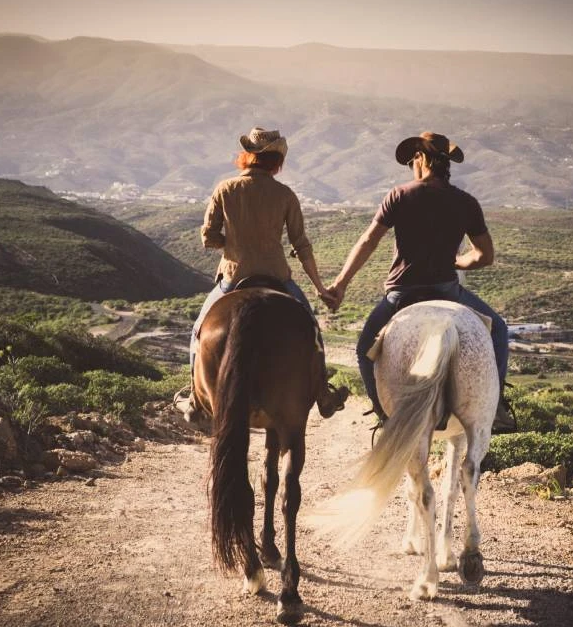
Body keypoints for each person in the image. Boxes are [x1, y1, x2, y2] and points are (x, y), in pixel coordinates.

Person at [325, 131, 510, 426]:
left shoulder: (399, 195)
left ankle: (384, 415)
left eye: (413, 159)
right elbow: (484, 256)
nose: (412, 164)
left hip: (402, 295)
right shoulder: (466, 203)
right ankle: (495, 407)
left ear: (421, 159)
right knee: (499, 330)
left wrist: (341, 284)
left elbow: (367, 242)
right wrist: (457, 260)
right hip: (447, 292)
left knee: (363, 351)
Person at [178, 127, 348, 419]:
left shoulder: (224, 189)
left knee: (198, 331)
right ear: (276, 161)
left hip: (233, 278)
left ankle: (195, 396)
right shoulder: (285, 195)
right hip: (277, 278)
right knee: (311, 330)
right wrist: (320, 288)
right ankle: (322, 393)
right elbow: (302, 245)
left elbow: (208, 237)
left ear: (246, 156)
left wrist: (232, 244)